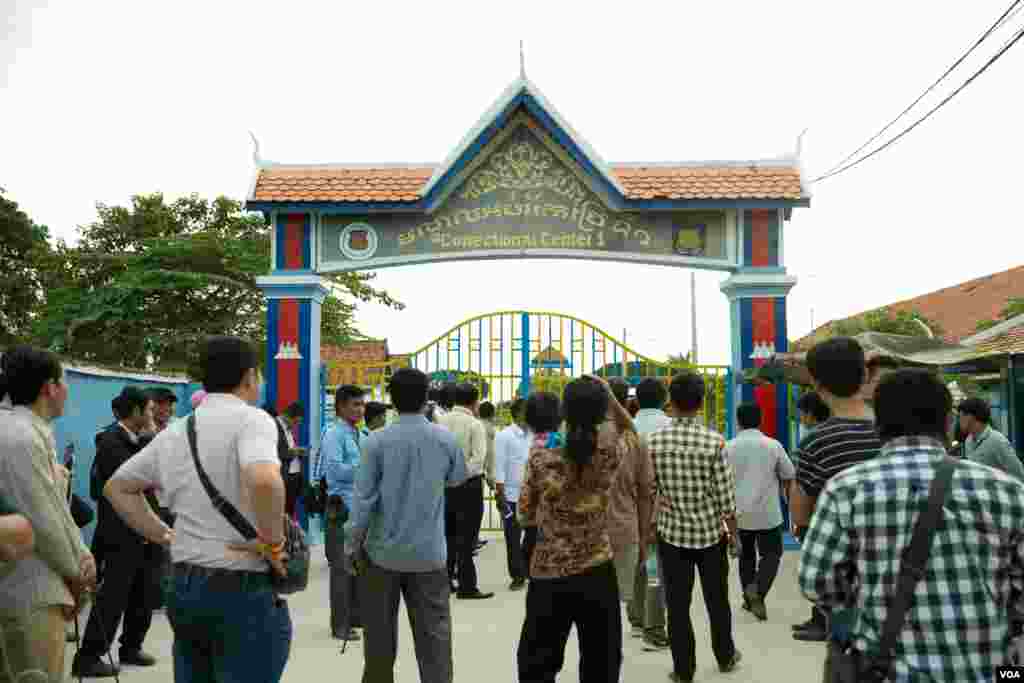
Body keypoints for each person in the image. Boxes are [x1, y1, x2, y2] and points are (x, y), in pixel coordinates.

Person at [800, 368, 1024, 681]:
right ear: (947, 422)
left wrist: (868, 599)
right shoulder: (1007, 490)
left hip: (886, 670)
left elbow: (817, 581)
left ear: (878, 424)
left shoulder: (846, 489)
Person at [104, 336, 291, 683]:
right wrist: (274, 542)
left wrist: (164, 535)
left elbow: (118, 487)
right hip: (240, 584)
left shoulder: (177, 430)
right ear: (250, 377)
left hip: (186, 584)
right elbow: (265, 480)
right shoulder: (252, 421)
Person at [344, 368, 467, 683]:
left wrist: (351, 545)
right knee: (435, 641)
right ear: (427, 397)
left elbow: (363, 501)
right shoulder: (445, 439)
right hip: (429, 555)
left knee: (379, 641)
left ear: (392, 401)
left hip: (381, 555)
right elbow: (458, 479)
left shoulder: (376, 442)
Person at [517, 376, 632, 682]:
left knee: (537, 663)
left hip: (549, 571)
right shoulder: (610, 453)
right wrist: (610, 395)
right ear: (601, 410)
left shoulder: (542, 455)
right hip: (596, 568)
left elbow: (524, 515)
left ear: (564, 411)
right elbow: (629, 429)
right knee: (601, 662)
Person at [0, 346, 97, 683]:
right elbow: (44, 518)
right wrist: (78, 573)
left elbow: (54, 510)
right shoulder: (19, 436)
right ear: (49, 387)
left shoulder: (26, 431)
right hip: (30, 589)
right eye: (64, 381)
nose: (66, 391)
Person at [648, 372, 741, 681]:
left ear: (671, 403)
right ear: (701, 403)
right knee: (718, 601)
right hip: (710, 536)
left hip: (672, 537)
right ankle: (725, 656)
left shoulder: (655, 442)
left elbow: (649, 489)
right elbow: (725, 497)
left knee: (677, 606)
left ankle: (683, 670)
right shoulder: (715, 442)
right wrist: (735, 535)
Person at [789, 337, 881, 642]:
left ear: (814, 383)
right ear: (865, 375)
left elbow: (800, 514)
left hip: (848, 580)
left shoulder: (815, 442)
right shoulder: (893, 430)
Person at [74, 385, 163, 677]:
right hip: (120, 532)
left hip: (145, 528)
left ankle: (131, 646)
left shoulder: (139, 439)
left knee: (145, 591)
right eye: (149, 410)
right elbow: (134, 480)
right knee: (114, 595)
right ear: (136, 411)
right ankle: (89, 655)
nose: (153, 415)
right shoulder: (110, 441)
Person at [725, 402, 795, 622]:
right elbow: (788, 474)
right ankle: (758, 591)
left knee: (745, 558)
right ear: (760, 420)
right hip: (768, 513)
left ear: (738, 421)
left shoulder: (728, 447)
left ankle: (749, 596)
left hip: (739, 514)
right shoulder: (772, 445)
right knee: (772, 554)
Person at [605, 379, 656, 648]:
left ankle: (636, 622)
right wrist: (645, 530)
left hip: (588, 533)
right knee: (650, 575)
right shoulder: (633, 439)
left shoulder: (575, 437)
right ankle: (649, 625)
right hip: (630, 525)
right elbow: (646, 491)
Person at [320, 385, 367, 641]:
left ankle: (356, 616)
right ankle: (340, 624)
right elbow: (336, 471)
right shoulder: (334, 434)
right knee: (341, 567)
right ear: (340, 407)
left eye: (361, 404)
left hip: (358, 507)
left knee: (357, 564)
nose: (360, 409)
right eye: (354, 405)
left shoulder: (358, 433)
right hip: (341, 506)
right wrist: (364, 469)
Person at [438, 383, 493, 600]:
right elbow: (478, 459)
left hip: (445, 485)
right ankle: (467, 585)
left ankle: (445, 581)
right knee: (467, 537)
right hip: (469, 485)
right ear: (474, 401)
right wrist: (460, 475)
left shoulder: (441, 421)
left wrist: (448, 475)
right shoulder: (474, 424)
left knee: (448, 535)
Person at [630, 377, 672, 650]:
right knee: (655, 565)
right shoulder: (669, 427)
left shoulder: (628, 428)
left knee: (635, 561)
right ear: (664, 399)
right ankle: (654, 628)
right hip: (659, 509)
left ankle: (635, 618)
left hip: (627, 507)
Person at [518, 392, 562, 574]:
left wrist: (523, 516)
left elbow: (527, 498)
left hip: (542, 530)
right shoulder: (564, 441)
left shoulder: (537, 447)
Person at [493, 399, 530, 590]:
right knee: (513, 538)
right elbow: (498, 466)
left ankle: (528, 569)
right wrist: (500, 494)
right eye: (526, 412)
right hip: (511, 495)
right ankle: (517, 575)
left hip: (533, 495)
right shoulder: (504, 436)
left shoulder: (535, 435)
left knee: (533, 536)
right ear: (516, 414)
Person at [959, 397, 1024, 479]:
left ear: (970, 417)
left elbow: (1019, 474)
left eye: (960, 417)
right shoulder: (968, 441)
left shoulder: (997, 441)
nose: (959, 421)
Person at [272, 402, 307, 519]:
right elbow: (274, 452)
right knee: (282, 514)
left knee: (289, 513)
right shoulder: (273, 426)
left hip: (293, 477)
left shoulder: (287, 427)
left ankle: (288, 535)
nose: (296, 425)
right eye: (296, 422)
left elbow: (287, 447)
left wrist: (297, 451)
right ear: (288, 416)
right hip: (283, 477)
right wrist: (293, 452)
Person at [479, 401, 498, 489]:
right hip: (479, 474)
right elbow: (490, 454)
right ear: (492, 414)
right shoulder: (490, 430)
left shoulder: (475, 424)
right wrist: (491, 479)